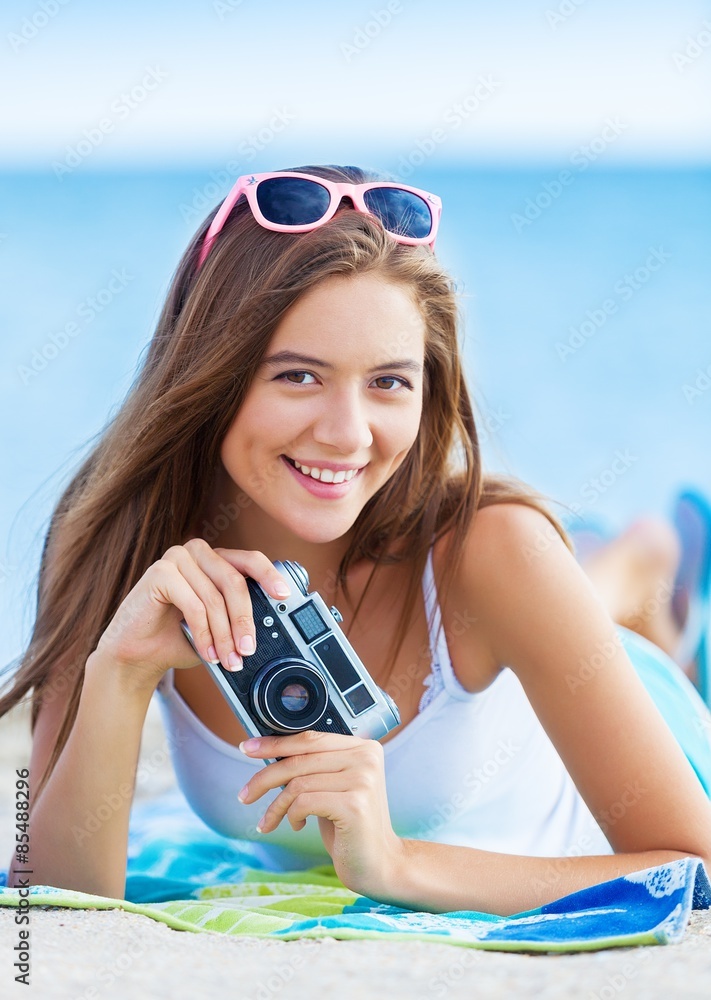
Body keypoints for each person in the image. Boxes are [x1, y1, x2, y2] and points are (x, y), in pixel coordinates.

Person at [2, 164, 711, 918]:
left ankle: (639, 571)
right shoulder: (120, 541)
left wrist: (397, 865)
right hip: (537, 629)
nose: (346, 435)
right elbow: (51, 900)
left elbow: (692, 869)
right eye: (299, 377)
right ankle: (624, 573)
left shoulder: (498, 553)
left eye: (389, 383)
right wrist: (120, 673)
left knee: (597, 615)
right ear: (211, 374)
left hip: (609, 690)